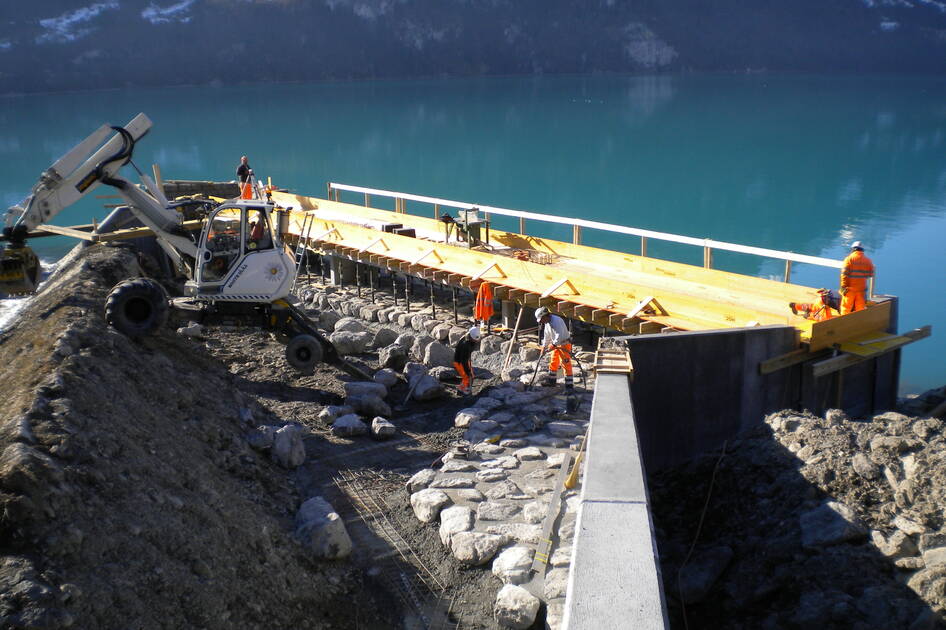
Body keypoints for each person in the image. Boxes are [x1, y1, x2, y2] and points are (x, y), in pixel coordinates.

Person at [535, 307, 573, 390]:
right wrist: (544, 347)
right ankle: (551, 381)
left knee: (566, 364)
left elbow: (559, 335)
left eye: (541, 319)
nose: (541, 322)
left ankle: (569, 386)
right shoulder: (547, 323)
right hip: (556, 345)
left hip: (564, 344)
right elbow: (547, 336)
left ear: (545, 316)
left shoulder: (556, 321)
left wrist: (553, 345)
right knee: (553, 361)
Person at [840, 241, 875, 315]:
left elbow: (844, 274)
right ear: (862, 250)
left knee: (846, 309)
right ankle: (858, 323)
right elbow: (871, 274)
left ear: (853, 249)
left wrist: (843, 286)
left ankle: (844, 324)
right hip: (861, 289)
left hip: (849, 289)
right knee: (860, 309)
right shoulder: (868, 261)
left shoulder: (849, 259)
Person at [453, 326, 481, 395]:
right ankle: (465, 392)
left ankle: (461, 389)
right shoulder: (465, 345)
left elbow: (466, 357)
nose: (477, 341)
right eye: (475, 339)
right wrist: (467, 371)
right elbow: (463, 361)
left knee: (470, 376)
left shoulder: (469, 337)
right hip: (459, 362)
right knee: (467, 377)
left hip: (464, 359)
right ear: (471, 337)